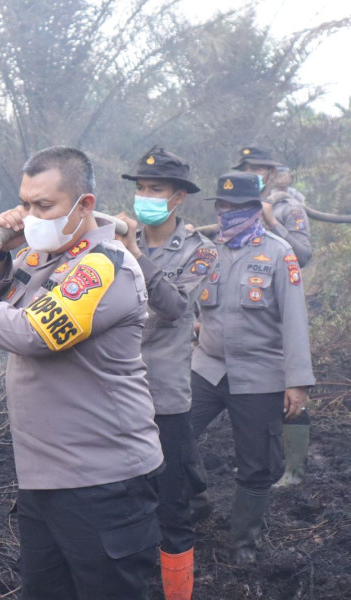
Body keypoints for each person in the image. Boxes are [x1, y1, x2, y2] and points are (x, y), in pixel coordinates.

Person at [0, 146, 164, 599]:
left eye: (45, 206)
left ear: (85, 205)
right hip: (45, 478)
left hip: (103, 481)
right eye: (26, 204)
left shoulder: (102, 267)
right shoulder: (42, 258)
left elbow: (32, 333)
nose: (31, 216)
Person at [189, 171, 315, 565]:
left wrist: (296, 382)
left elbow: (295, 320)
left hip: (259, 372)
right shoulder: (206, 251)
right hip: (206, 367)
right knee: (170, 434)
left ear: (254, 208)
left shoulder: (279, 253)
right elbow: (184, 297)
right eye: (221, 206)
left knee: (257, 464)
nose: (227, 213)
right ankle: (195, 499)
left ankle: (243, 541)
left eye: (237, 207)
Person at [117, 147, 216, 600]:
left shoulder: (200, 252)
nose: (144, 197)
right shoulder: (108, 243)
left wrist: (135, 253)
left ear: (179, 198)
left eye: (154, 189)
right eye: (139, 188)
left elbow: (175, 308)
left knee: (171, 507)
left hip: (162, 397)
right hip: (111, 391)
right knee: (119, 502)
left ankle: (178, 592)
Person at [233, 145, 313, 487]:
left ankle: (293, 470)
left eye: (258, 169)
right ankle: (263, 460)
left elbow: (304, 254)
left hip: (282, 298)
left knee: (289, 380)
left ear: (269, 171)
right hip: (250, 302)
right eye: (247, 168)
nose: (253, 173)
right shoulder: (238, 202)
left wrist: (271, 221)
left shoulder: (288, 205)